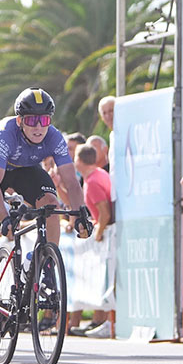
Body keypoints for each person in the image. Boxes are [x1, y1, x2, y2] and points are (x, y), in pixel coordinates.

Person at [0, 88, 90, 336]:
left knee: (51, 203)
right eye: (31, 121)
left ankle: (44, 264)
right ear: (20, 121)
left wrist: (80, 214)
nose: (38, 127)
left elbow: (71, 182)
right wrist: (4, 217)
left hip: (25, 168)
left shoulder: (54, 138)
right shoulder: (6, 135)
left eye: (44, 120)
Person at [72, 143, 114, 338]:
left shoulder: (93, 181)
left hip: (108, 234)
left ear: (79, 161)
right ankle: (102, 321)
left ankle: (106, 322)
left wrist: (98, 232)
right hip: (108, 230)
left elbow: (104, 212)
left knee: (106, 278)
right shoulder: (97, 175)